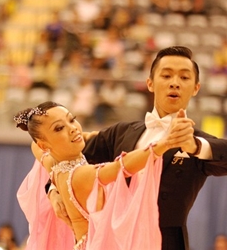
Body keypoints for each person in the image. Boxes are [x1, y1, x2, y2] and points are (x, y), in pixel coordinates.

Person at [48, 46, 227, 250]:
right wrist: (54, 190)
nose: (174, 83)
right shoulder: (121, 132)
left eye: (184, 78)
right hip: (112, 238)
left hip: (165, 242)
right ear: (150, 83)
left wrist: (193, 146)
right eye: (166, 75)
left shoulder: (198, 143)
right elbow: (63, 153)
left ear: (196, 88)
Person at [14, 101, 194, 249]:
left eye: (72, 120)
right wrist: (165, 144)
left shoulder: (54, 166)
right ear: (45, 144)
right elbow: (121, 166)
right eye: (59, 128)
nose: (73, 128)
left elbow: (36, 147)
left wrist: (53, 192)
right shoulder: (79, 175)